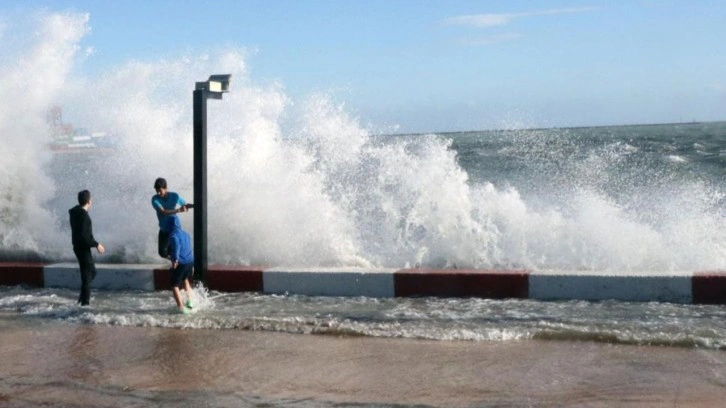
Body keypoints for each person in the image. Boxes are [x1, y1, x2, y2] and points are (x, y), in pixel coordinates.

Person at [68, 190, 105, 306]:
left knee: (90, 273)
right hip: (83, 248)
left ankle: (82, 298)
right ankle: (85, 304)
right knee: (89, 274)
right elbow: (85, 236)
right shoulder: (84, 216)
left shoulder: (75, 212)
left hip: (77, 247)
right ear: (89, 201)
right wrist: (97, 244)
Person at [151, 177, 192, 259]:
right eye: (157, 191)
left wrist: (193, 206)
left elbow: (185, 205)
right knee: (162, 253)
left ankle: (180, 262)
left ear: (166, 188)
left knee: (175, 249)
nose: (159, 193)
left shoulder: (174, 196)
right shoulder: (155, 199)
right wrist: (179, 210)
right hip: (164, 229)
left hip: (174, 227)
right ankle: (176, 261)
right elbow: (163, 211)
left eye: (160, 191)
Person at [165, 215, 195, 314]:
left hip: (181, 263)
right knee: (185, 280)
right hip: (190, 261)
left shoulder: (173, 235)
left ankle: (181, 308)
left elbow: (176, 247)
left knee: (174, 285)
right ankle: (190, 301)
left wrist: (175, 260)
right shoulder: (186, 233)